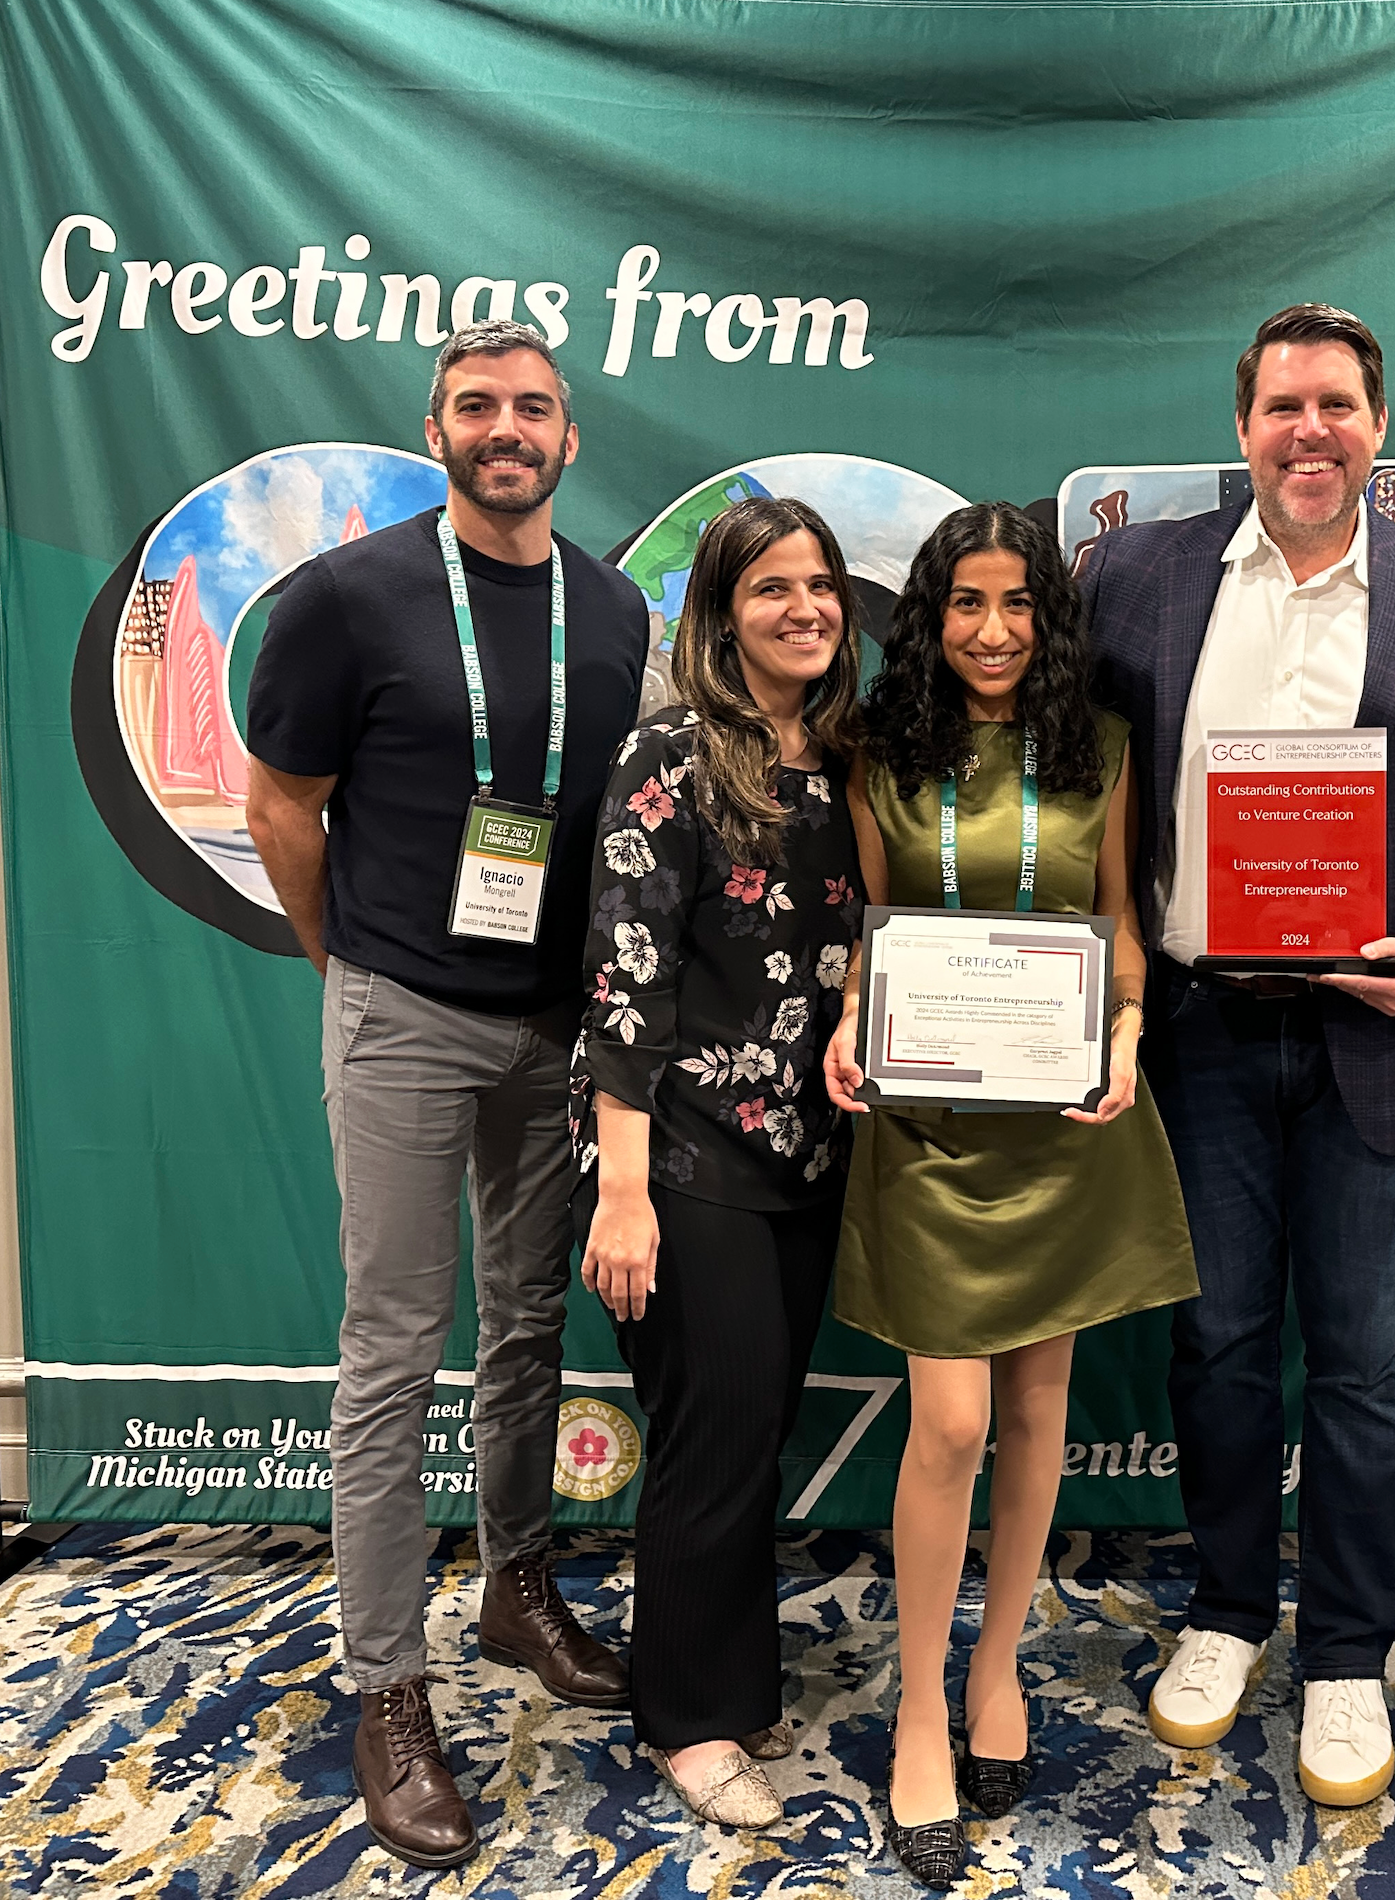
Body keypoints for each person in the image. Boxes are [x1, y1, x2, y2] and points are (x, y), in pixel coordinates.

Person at [1083, 304, 1395, 1808]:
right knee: (1218, 1345)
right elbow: (1076, 790)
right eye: (1284, 405)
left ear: (1377, 425)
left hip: (1384, 1031)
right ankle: (1227, 1612)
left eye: (1338, 405)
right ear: (1242, 429)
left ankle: (1346, 1651)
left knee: (1365, 1365)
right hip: (1206, 1036)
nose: (1311, 431)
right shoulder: (1135, 580)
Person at [244, 320, 644, 1868]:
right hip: (404, 1008)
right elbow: (282, 800)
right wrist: (344, 960)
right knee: (395, 1348)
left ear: (568, 439)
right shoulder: (348, 599)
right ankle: (386, 1685)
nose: (506, 428)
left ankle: (518, 1584)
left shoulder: (614, 612)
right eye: (478, 405)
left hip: (554, 1027)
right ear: (436, 427)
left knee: (530, 1319)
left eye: (532, 408)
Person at [825, 501, 1198, 1887]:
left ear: (1050, 618)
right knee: (953, 1421)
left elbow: (1117, 921)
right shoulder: (882, 751)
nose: (992, 631)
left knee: (1038, 1408)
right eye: (966, 604)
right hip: (931, 1120)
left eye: (1018, 605)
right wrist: (851, 1018)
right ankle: (917, 1701)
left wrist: (1126, 1031)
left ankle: (997, 1671)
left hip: (1062, 1113)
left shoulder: (1095, 745)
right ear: (930, 617)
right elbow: (870, 931)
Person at [572, 496, 866, 1827]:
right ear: (721, 614)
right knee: (714, 1433)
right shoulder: (672, 755)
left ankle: (726, 1678)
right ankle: (687, 1719)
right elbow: (625, 983)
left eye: (820, 585)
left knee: (746, 1426)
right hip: (679, 1161)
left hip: (808, 1156)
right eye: (770, 590)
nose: (802, 607)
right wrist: (623, 1196)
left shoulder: (853, 759)